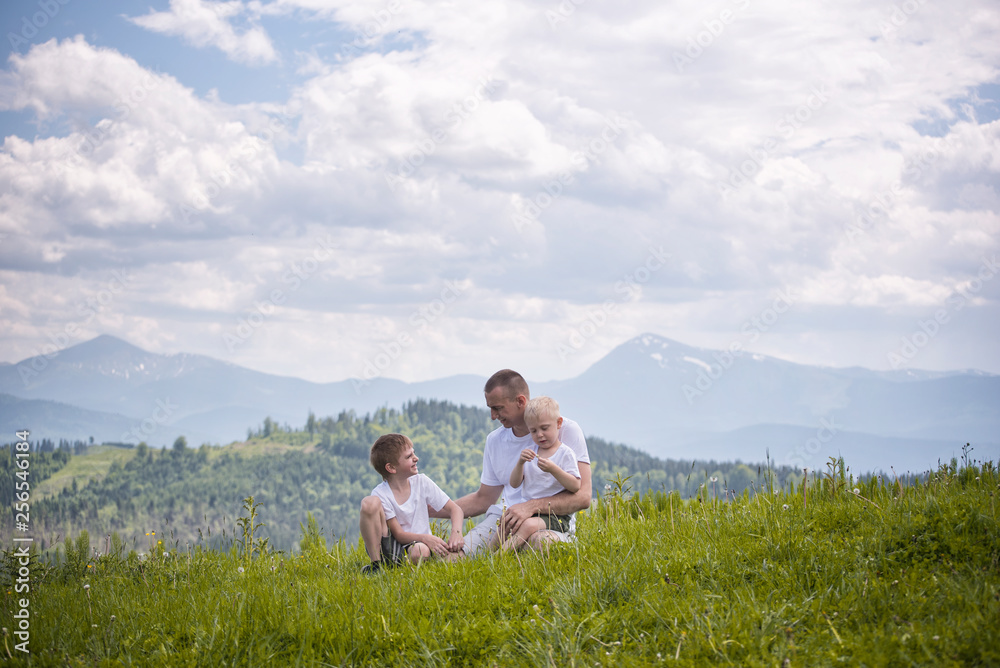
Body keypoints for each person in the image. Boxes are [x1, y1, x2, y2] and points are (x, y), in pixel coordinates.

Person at [451, 369, 592, 554]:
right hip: (505, 517)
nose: (493, 416)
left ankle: (499, 559)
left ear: (520, 401)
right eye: (490, 408)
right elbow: (484, 498)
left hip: (550, 519)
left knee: (541, 543)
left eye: (498, 408)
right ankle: (491, 560)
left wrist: (529, 507)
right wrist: (433, 507)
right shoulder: (495, 440)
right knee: (455, 559)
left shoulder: (566, 430)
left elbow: (583, 496)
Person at [359, 433, 464, 574]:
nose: (416, 458)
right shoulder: (381, 493)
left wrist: (456, 533)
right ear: (391, 468)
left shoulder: (422, 482)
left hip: (418, 546)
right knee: (369, 503)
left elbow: (455, 509)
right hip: (392, 546)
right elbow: (399, 534)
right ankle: (376, 565)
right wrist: (427, 537)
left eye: (413, 453)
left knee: (420, 550)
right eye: (409, 457)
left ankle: (407, 566)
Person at [505, 396, 581, 550]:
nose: (539, 434)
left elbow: (575, 485)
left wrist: (554, 469)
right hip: (529, 511)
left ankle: (501, 556)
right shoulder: (531, 452)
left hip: (556, 515)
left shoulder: (565, 454)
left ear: (558, 423)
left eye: (544, 428)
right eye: (533, 430)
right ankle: (486, 554)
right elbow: (514, 483)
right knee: (505, 520)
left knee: (527, 525)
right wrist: (520, 463)